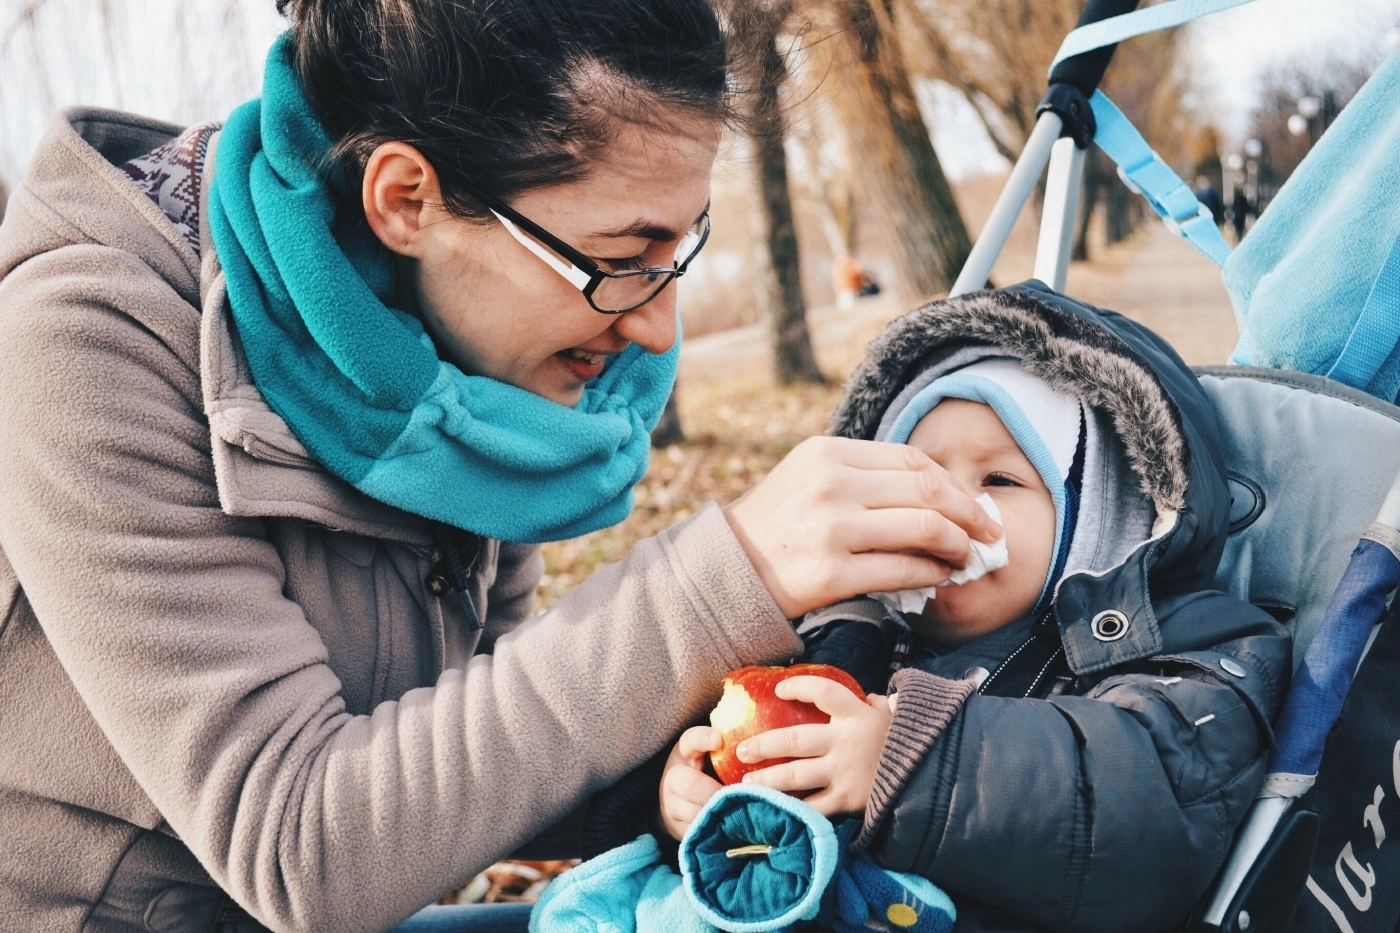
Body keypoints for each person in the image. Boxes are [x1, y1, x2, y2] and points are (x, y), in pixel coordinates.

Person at [0, 3, 1004, 932]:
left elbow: (476, 734)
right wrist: (727, 575)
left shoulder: (457, 355)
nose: (656, 325)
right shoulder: (88, 340)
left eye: (678, 249)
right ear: (406, 200)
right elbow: (302, 848)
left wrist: (668, 782)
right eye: (624, 254)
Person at [646, 283, 1292, 931]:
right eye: (915, 478)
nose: (943, 508)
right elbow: (776, 844)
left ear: (1098, 521)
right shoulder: (845, 637)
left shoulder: (1183, 647)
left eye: (998, 480)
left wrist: (912, 763)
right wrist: (706, 811)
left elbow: (1145, 822)